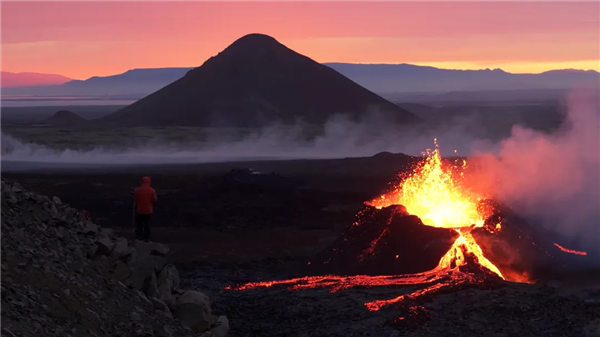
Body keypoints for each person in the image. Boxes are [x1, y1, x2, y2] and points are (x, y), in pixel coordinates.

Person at [133, 176, 157, 242]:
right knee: (147, 225)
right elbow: (154, 200)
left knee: (139, 224)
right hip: (148, 211)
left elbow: (135, 200)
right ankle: (146, 238)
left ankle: (139, 237)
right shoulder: (152, 191)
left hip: (139, 210)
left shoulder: (137, 190)